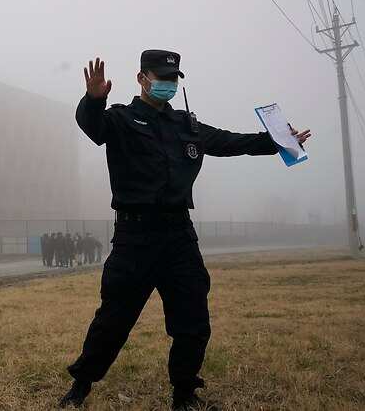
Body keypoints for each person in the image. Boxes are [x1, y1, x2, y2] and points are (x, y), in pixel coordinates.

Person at [59, 51, 311, 410]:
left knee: (192, 320)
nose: (169, 84)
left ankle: (184, 394)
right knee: (113, 321)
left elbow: (230, 142)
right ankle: (81, 384)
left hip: (179, 237)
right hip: (135, 239)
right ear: (142, 79)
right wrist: (93, 100)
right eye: (161, 77)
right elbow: (92, 127)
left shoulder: (187, 126)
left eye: (174, 78)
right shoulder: (120, 119)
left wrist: (280, 142)